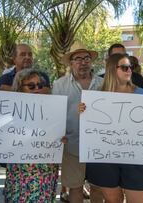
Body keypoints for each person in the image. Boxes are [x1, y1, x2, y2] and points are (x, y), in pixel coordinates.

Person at [82, 53, 143, 203]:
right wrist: (83, 112)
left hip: (135, 156)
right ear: (113, 69)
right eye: (125, 67)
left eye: (130, 67)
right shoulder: (97, 97)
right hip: (105, 158)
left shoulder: (140, 93)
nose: (129, 71)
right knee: (113, 200)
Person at [0, 69, 59, 202]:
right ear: (20, 88)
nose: (37, 88)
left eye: (39, 85)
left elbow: (58, 136)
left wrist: (61, 139)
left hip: (46, 171)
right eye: (31, 86)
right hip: (20, 172)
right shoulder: (8, 109)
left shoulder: (52, 108)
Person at [52, 43, 104, 203]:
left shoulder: (103, 84)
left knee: (98, 187)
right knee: (75, 188)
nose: (83, 62)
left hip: (100, 146)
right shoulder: (59, 85)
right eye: (78, 58)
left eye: (86, 58)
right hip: (72, 146)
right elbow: (54, 114)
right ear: (71, 62)